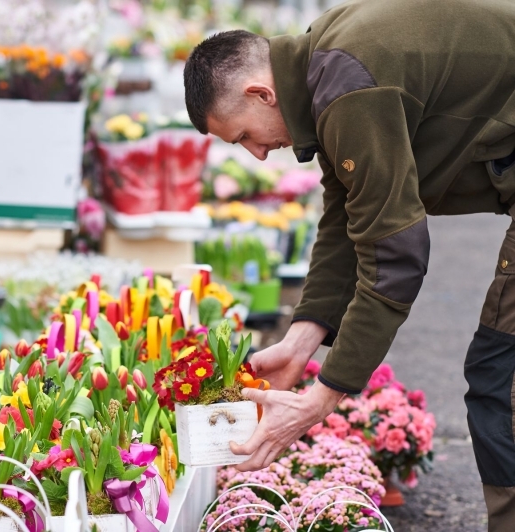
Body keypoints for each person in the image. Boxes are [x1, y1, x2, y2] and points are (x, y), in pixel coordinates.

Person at [183, 0, 515, 529]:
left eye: (243, 136)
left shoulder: (347, 86)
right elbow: (345, 216)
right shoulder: (325, 63)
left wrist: (321, 399)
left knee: (503, 381)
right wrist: (301, 340)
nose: (258, 155)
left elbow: (397, 253)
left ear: (260, 94)